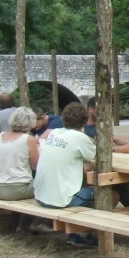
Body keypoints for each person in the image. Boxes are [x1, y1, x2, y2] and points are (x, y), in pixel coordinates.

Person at [33, 101, 98, 246]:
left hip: (40, 196)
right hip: (60, 200)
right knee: (101, 194)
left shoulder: (54, 133)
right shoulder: (80, 138)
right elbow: (96, 159)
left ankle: (80, 230)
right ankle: (80, 233)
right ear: (85, 119)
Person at [0, 106, 51, 233]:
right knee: (47, 184)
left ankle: (18, 223)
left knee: (26, 183)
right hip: (16, 189)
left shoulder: (1, 136)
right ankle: (34, 223)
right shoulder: (28, 139)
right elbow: (36, 166)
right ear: (31, 122)